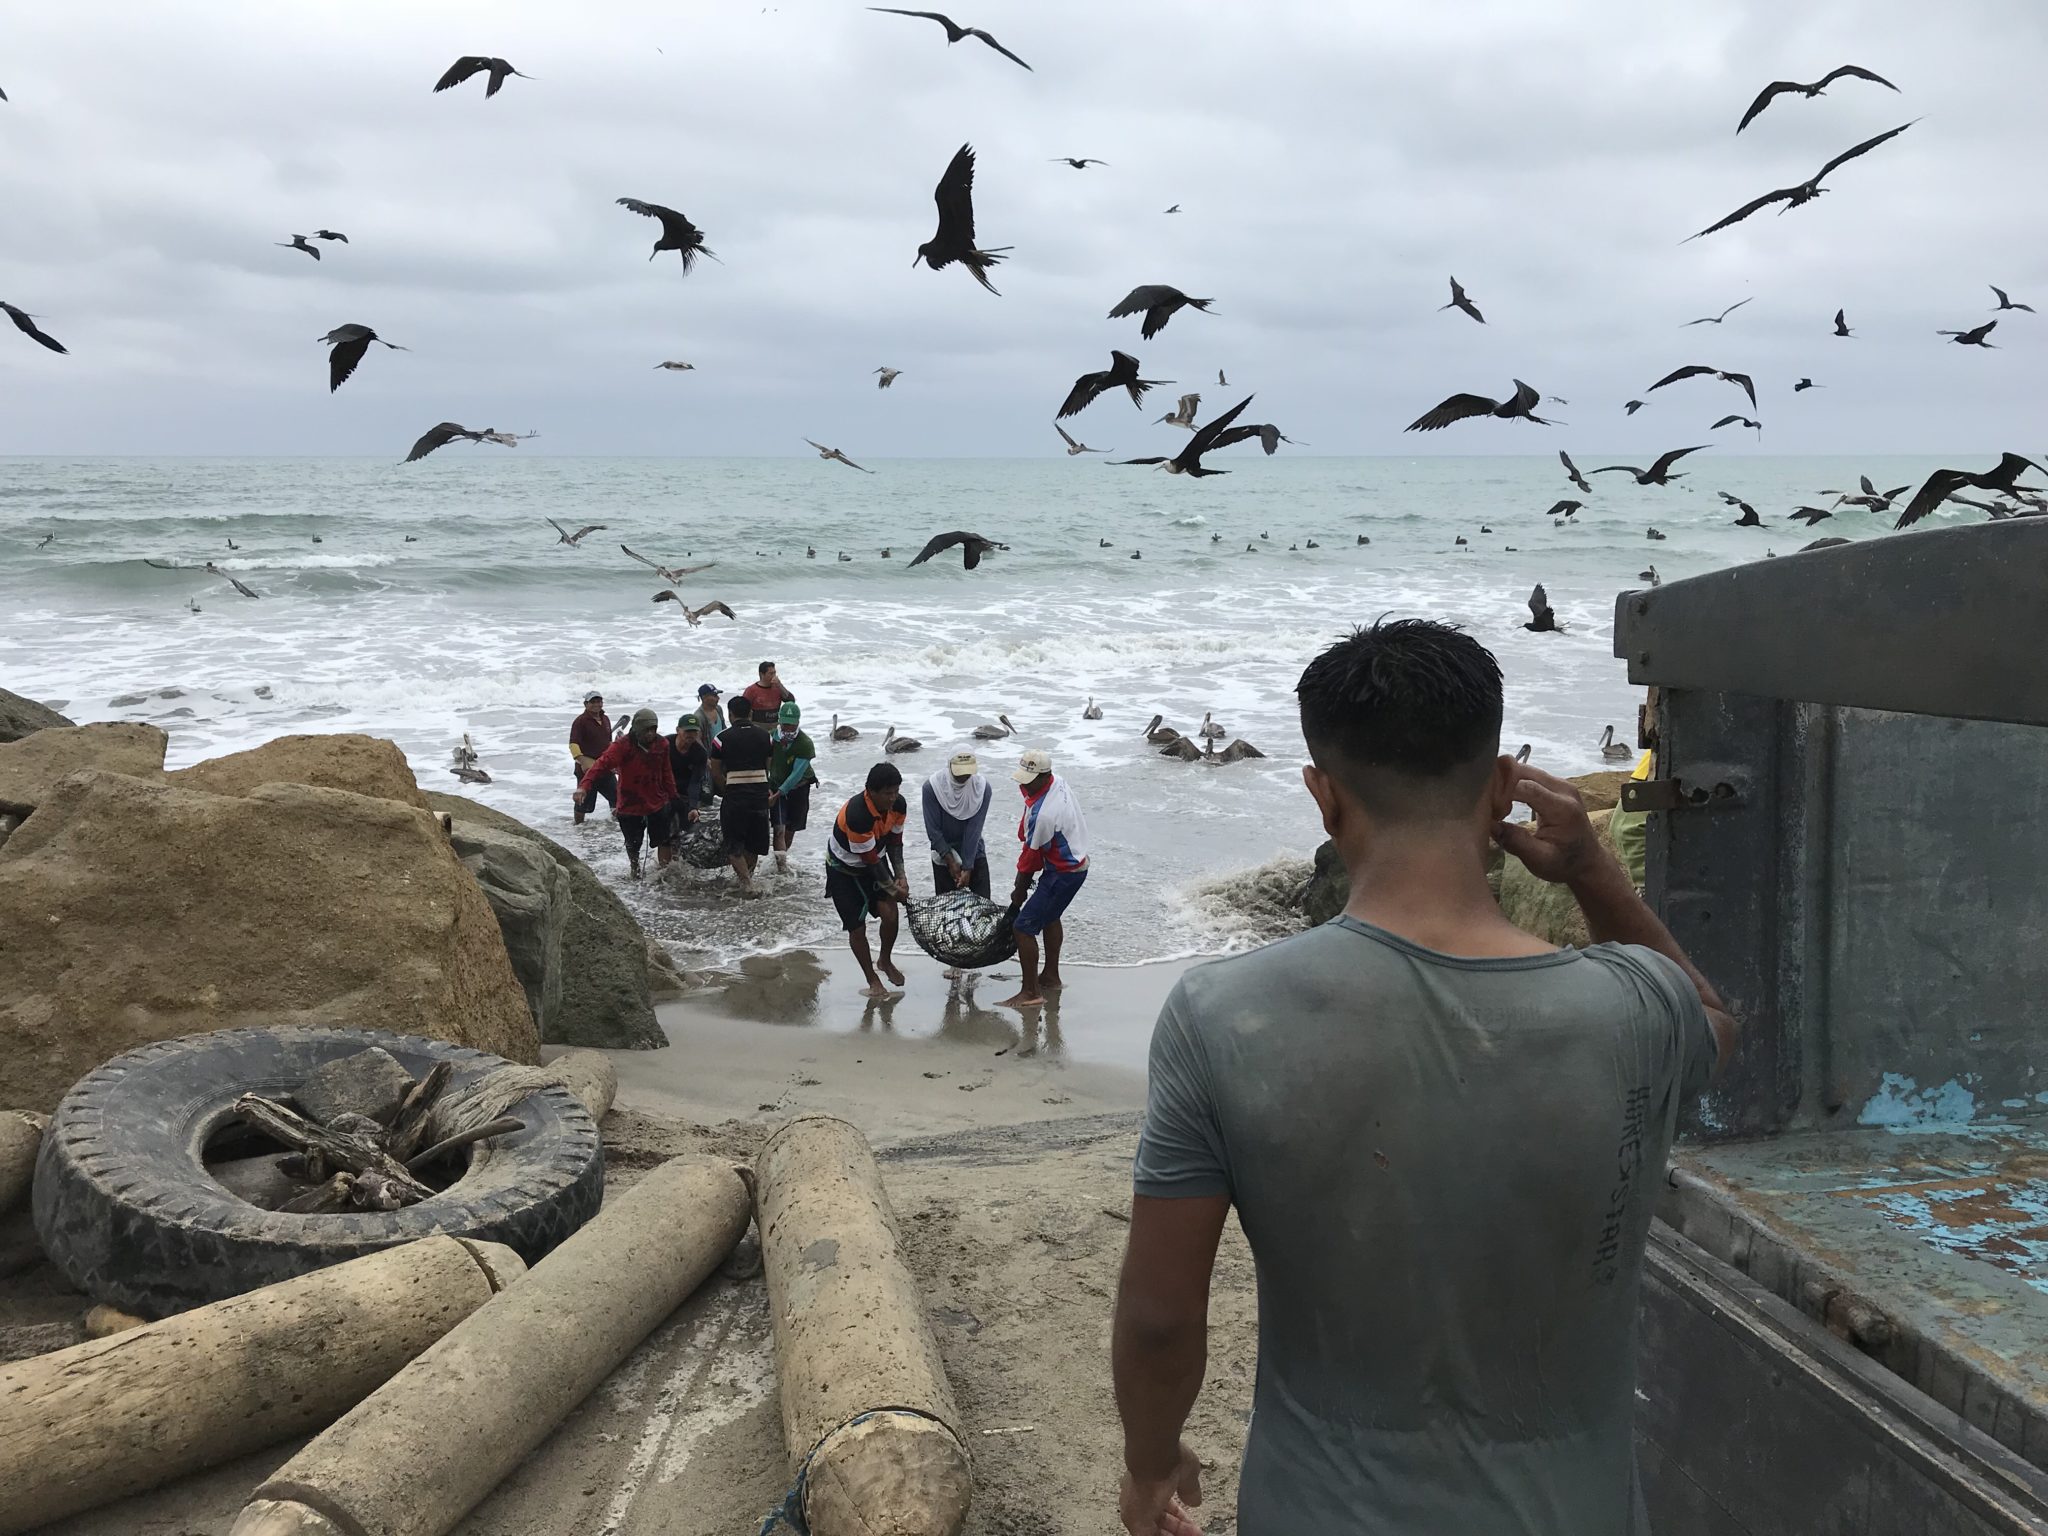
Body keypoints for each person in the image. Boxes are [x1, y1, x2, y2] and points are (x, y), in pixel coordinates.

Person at [1110, 619, 1737, 1536]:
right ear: (1500, 789)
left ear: (1324, 799)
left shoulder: (1224, 1017)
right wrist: (1594, 873)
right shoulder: (1631, 1010)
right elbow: (1712, 1023)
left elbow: (1162, 1317)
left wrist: (1151, 1461)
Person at [1000, 749, 1089, 1009]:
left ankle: (1030, 992)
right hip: (1076, 864)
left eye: (1028, 780)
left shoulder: (1045, 815)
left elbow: (1030, 859)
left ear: (1043, 777)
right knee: (1050, 916)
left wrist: (1019, 890)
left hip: (1064, 872)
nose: (1024, 785)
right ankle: (1050, 976)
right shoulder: (1056, 782)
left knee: (1023, 927)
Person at [825, 762, 911, 998]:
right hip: (844, 869)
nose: (893, 798)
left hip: (876, 858)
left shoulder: (899, 805)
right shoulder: (858, 814)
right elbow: (869, 859)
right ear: (871, 792)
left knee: (891, 913)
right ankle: (871, 978)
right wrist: (892, 887)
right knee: (857, 927)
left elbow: (895, 843)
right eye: (887, 793)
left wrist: (901, 876)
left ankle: (885, 960)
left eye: (896, 791)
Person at [574, 708, 680, 880]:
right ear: (637, 728)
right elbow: (601, 765)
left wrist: (674, 797)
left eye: (654, 729)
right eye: (646, 729)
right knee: (633, 845)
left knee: (664, 840)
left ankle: (664, 874)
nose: (651, 734)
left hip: (657, 801)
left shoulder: (662, 744)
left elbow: (666, 772)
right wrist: (584, 786)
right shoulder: (622, 746)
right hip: (630, 804)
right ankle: (635, 869)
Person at [709, 695, 773, 895]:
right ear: (751, 713)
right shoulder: (766, 736)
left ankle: (746, 883)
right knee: (754, 842)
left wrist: (726, 787)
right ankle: (748, 880)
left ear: (730, 715)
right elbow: (768, 766)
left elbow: (715, 770)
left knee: (734, 842)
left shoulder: (721, 739)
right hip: (759, 794)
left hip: (735, 795)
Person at [923, 752, 992, 897]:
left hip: (974, 852)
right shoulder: (932, 788)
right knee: (947, 911)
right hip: (943, 853)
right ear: (949, 766)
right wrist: (950, 861)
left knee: (982, 908)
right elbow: (933, 831)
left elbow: (974, 829)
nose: (964, 777)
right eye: (959, 772)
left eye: (968, 773)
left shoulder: (982, 788)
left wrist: (968, 867)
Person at [767, 701, 818, 873]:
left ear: (797, 722)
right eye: (785, 723)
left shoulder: (805, 743)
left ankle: (780, 858)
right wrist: (768, 787)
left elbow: (796, 774)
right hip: (775, 786)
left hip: (799, 788)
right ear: (779, 721)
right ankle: (781, 868)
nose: (788, 728)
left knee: (790, 829)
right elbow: (764, 763)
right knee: (779, 828)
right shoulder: (771, 738)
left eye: (791, 724)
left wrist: (780, 792)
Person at [569, 691, 615, 825]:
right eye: (593, 702)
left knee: (617, 797)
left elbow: (609, 742)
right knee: (583, 802)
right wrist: (583, 761)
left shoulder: (605, 719)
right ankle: (578, 827)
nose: (596, 705)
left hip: (604, 766)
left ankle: (617, 825)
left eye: (599, 701)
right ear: (586, 704)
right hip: (586, 768)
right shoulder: (580, 721)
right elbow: (573, 744)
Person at [667, 712, 710, 833]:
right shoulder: (665, 745)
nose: (691, 735)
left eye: (694, 732)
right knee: (666, 837)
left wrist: (693, 807)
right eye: (687, 731)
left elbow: (695, 782)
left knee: (689, 832)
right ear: (678, 730)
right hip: (664, 793)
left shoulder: (700, 753)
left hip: (686, 793)